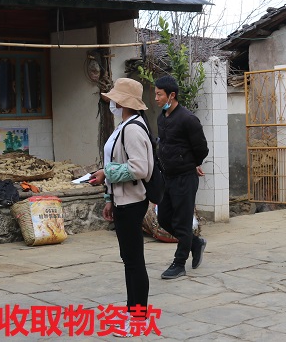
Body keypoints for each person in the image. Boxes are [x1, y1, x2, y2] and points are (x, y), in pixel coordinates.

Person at [89, 78, 154, 337]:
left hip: (132, 201)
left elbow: (139, 168)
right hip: (121, 200)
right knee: (129, 260)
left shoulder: (133, 129)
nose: (112, 103)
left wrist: (106, 173)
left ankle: (138, 319)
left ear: (123, 102)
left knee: (134, 261)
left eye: (115, 98)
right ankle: (132, 313)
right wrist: (109, 198)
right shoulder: (125, 126)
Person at [153, 75, 209, 280]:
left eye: (159, 94)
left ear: (172, 95)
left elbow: (201, 148)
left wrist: (191, 163)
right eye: (155, 94)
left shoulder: (188, 119)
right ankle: (195, 243)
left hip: (185, 177)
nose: (156, 98)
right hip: (167, 177)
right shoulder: (162, 118)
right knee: (164, 218)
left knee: (182, 222)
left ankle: (179, 263)